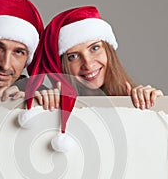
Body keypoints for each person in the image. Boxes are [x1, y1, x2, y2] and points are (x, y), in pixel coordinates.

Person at [26, 6, 163, 111]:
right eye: (73, 56)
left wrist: (156, 107)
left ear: (108, 51)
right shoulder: (52, 106)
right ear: (61, 66)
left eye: (94, 48)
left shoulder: (135, 100)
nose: (88, 64)